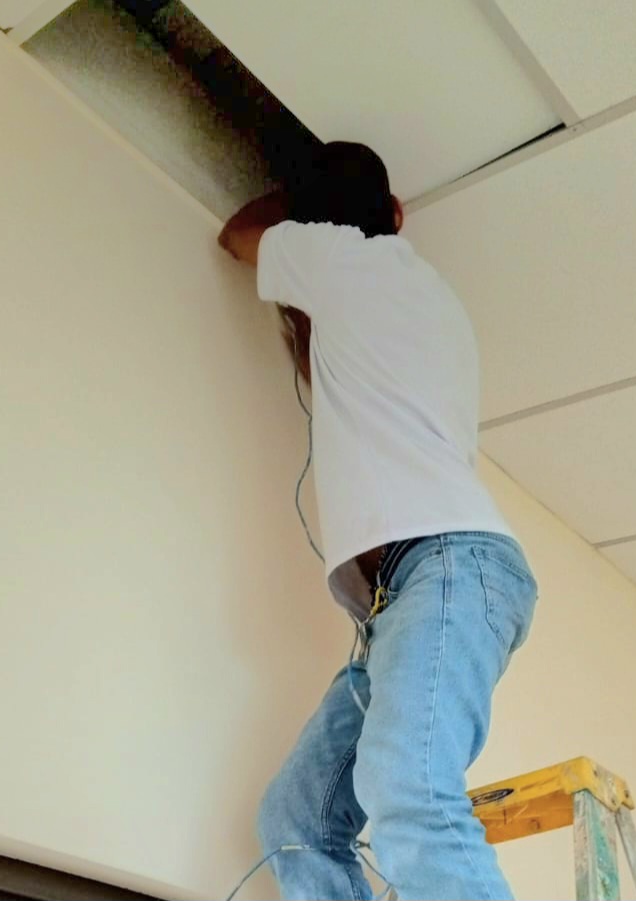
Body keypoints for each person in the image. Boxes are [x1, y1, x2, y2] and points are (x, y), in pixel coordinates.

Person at [218, 142, 538, 901]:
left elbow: (238, 235)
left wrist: (293, 213)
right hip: (407, 596)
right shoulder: (409, 292)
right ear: (396, 212)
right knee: (296, 820)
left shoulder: (342, 259)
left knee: (411, 794)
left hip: (448, 565)